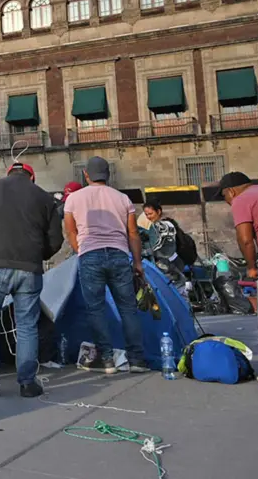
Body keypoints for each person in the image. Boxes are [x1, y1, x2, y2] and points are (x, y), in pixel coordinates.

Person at [0, 162, 62, 397]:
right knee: (27, 325)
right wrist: (38, 255)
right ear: (32, 178)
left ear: (8, 173)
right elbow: (55, 239)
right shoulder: (44, 197)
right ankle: (27, 383)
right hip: (29, 269)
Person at [63, 156, 149, 374]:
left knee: (96, 309)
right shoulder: (123, 199)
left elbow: (70, 231)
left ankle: (107, 359)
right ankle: (137, 360)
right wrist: (137, 262)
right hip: (119, 254)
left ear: (86, 175)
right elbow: (133, 233)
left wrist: (81, 250)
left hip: (90, 255)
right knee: (128, 308)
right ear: (108, 174)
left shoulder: (73, 199)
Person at [218, 171, 258, 387]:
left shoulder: (242, 199)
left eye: (224, 196)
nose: (227, 202)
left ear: (231, 191)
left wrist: (251, 267)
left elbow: (245, 239)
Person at [141, 201, 187, 290]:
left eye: (150, 213)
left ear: (158, 211)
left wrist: (145, 252)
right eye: (146, 214)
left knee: (176, 288)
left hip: (171, 263)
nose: (148, 217)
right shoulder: (153, 226)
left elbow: (160, 246)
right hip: (164, 263)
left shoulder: (165, 225)